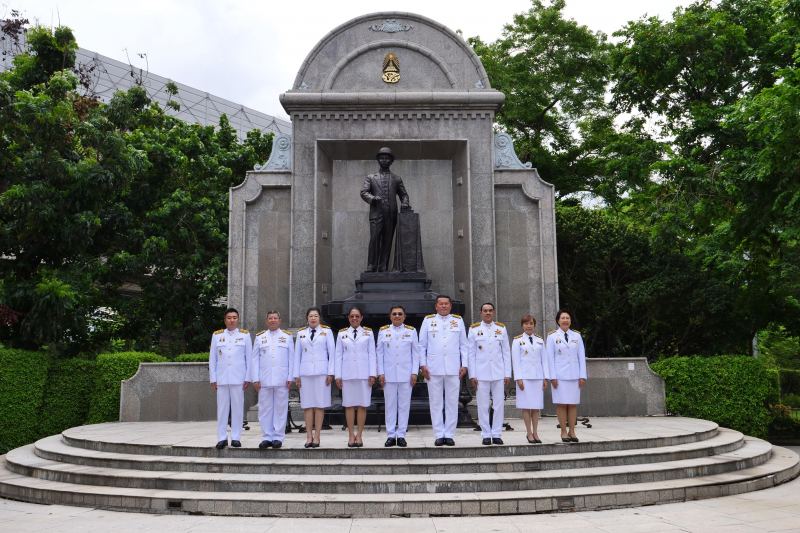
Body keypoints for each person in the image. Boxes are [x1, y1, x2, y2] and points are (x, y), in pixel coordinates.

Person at [419, 295, 469, 446]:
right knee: (436, 403)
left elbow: (464, 345)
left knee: (452, 402)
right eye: (441, 304)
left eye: (446, 304)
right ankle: (439, 434)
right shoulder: (428, 321)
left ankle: (449, 434)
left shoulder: (458, 321)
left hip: (453, 367)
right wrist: (423, 364)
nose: (444, 306)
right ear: (436, 306)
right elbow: (422, 346)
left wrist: (464, 364)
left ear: (450, 306)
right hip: (433, 368)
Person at [360, 147, 411, 272]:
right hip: (376, 213)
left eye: (386, 158)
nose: (384, 160)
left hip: (391, 214)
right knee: (374, 239)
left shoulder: (397, 179)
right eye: (381, 158)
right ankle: (371, 265)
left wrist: (405, 203)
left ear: (391, 161)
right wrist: (372, 198)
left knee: (387, 241)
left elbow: (404, 195)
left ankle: (383, 266)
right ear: (378, 160)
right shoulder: (371, 177)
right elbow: (364, 192)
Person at [468, 303, 511, 445]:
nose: (487, 313)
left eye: (490, 311)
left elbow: (506, 353)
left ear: (494, 312)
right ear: (480, 313)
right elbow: (471, 354)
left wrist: (507, 373)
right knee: (483, 405)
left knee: (498, 405)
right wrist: (472, 375)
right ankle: (486, 434)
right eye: (485, 311)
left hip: (498, 373)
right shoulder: (474, 330)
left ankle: (497, 433)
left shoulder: (501, 328)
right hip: (481, 373)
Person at [376, 305, 420, 447]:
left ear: (404, 316)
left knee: (404, 406)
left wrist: (414, 372)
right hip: (388, 375)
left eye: (400, 314)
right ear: (390, 316)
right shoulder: (383, 331)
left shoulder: (411, 331)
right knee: (390, 406)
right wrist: (380, 373)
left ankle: (401, 435)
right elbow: (379, 354)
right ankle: (390, 435)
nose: (397, 316)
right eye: (394, 314)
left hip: (406, 374)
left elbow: (416, 354)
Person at [208, 308, 252, 449]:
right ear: (225, 320)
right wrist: (213, 378)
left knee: (238, 409)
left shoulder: (245, 336)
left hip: (238, 378)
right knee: (222, 409)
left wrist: (248, 377)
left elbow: (249, 359)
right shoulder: (217, 336)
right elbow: (212, 359)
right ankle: (222, 438)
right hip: (222, 378)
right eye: (229, 318)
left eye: (234, 317)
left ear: (238, 319)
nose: (232, 320)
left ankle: (236, 438)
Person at [334, 306, 377, 447]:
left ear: (361, 318)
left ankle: (359, 435)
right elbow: (338, 356)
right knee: (349, 405)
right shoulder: (342, 334)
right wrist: (338, 376)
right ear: (348, 318)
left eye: (357, 316)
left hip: (364, 374)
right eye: (352, 316)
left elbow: (372, 355)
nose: (354, 318)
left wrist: (372, 374)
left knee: (362, 405)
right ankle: (351, 435)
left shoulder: (368, 333)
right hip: (347, 374)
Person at [293, 307, 335, 448]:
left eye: (316, 316)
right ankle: (309, 436)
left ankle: (317, 436)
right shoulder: (301, 334)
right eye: (310, 316)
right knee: (307, 405)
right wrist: (296, 375)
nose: (313, 318)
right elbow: (296, 355)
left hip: (321, 373)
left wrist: (331, 372)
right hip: (305, 373)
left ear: (319, 318)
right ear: (307, 318)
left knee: (319, 404)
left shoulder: (327, 332)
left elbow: (332, 354)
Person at [252, 311, 294, 449]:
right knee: (264, 409)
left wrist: (290, 377)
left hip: (282, 379)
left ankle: (278, 437)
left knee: (281, 409)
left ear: (280, 320)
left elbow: (291, 358)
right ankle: (267, 437)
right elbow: (255, 359)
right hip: (264, 379)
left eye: (275, 318)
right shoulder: (260, 337)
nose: (273, 320)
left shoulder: (287, 337)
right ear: (266, 321)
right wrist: (255, 378)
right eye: (270, 318)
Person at [546, 309, 587, 443]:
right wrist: (552, 377)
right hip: (559, 376)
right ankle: (564, 431)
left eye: (567, 318)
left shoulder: (577, 336)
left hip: (574, 375)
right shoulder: (552, 336)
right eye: (562, 318)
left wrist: (582, 376)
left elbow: (581, 357)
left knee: (573, 404)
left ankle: (572, 431)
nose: (565, 320)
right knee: (562, 404)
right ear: (558, 321)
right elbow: (549, 359)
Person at [511, 315, 549, 444]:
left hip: (538, 377)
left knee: (536, 407)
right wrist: (518, 378)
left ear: (534, 325)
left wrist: (545, 378)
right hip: (525, 378)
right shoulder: (517, 341)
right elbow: (515, 361)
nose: (529, 326)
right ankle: (528, 432)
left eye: (531, 323)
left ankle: (536, 432)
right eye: (526, 323)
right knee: (526, 406)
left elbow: (544, 360)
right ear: (522, 325)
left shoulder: (539, 340)